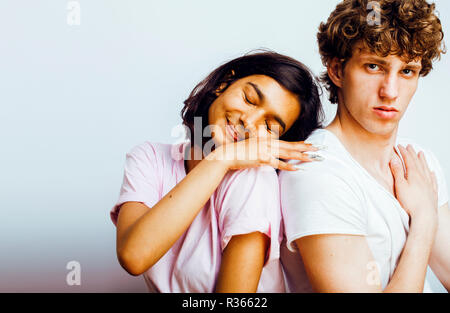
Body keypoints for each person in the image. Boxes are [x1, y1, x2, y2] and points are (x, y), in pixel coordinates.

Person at [110, 51, 325, 292]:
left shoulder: (253, 179)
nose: (249, 122)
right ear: (224, 83)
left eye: (268, 125)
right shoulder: (149, 158)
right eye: (250, 99)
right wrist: (221, 159)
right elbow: (134, 255)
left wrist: (223, 158)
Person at [280, 0, 449, 292]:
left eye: (407, 71)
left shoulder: (418, 163)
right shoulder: (316, 171)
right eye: (374, 66)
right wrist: (424, 220)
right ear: (337, 70)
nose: (390, 91)